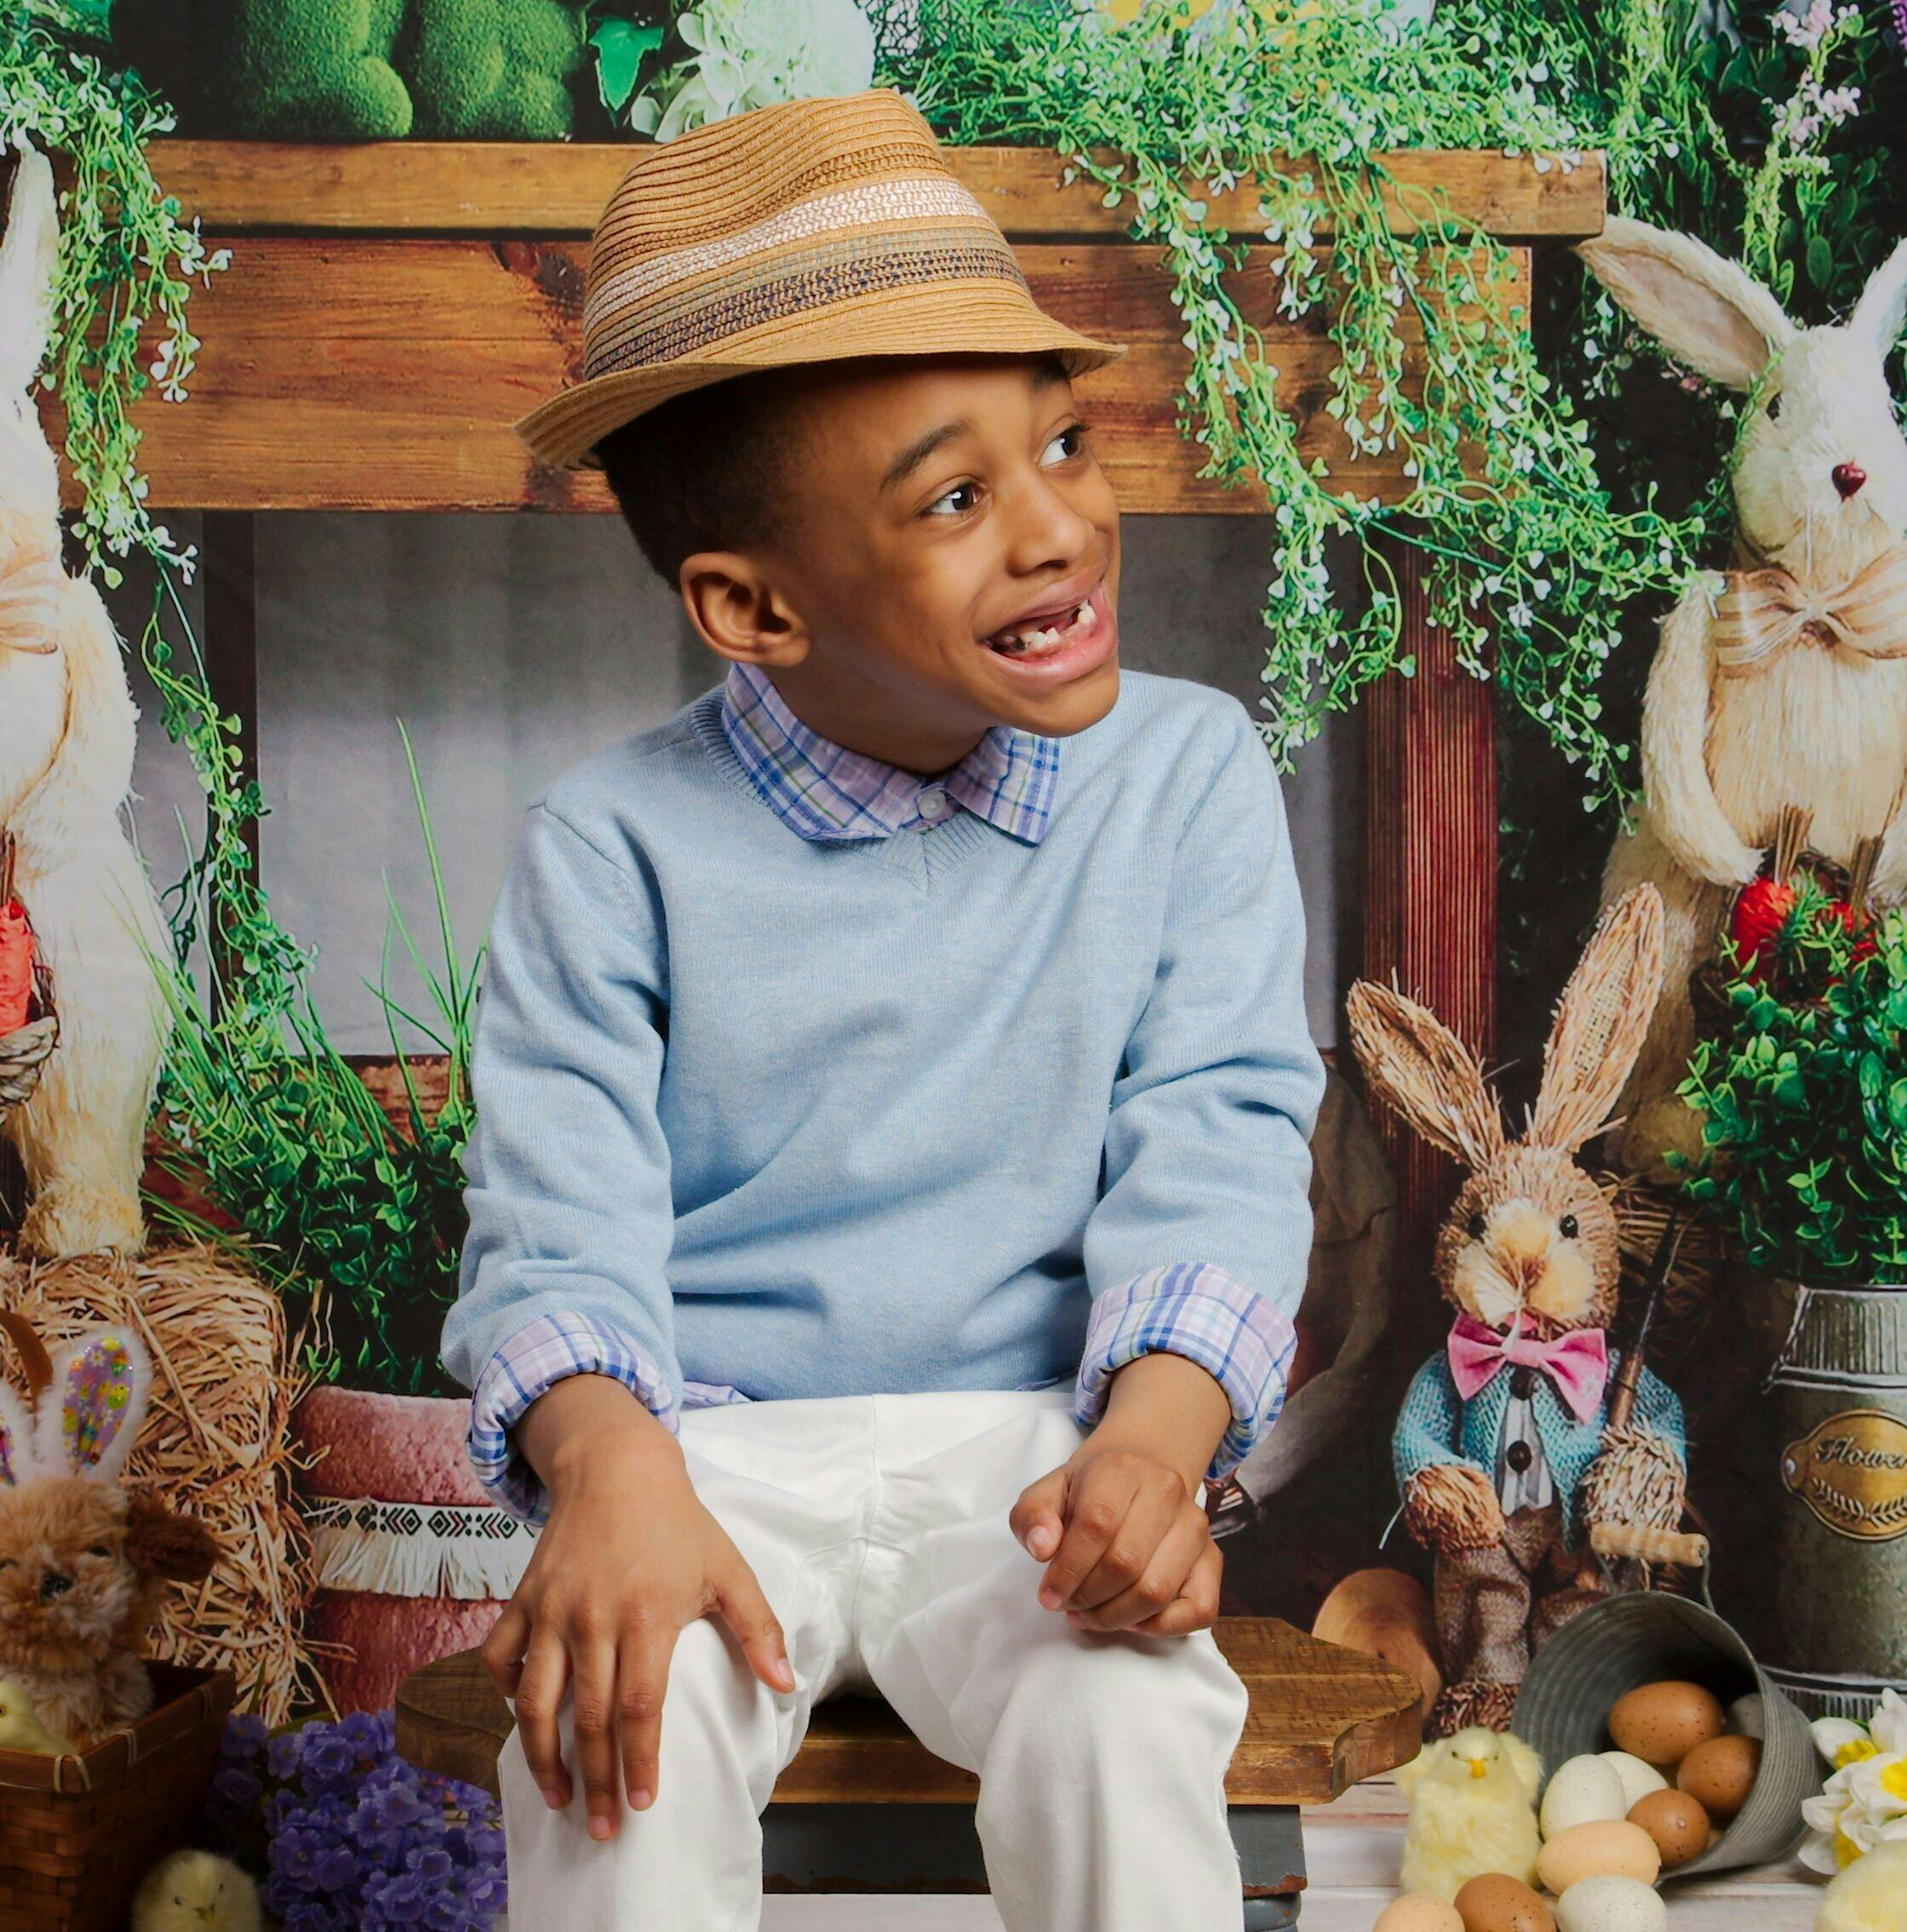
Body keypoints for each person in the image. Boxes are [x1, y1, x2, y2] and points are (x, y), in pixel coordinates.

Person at [439, 87, 1323, 1930]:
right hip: (704, 1456)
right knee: (616, 1720)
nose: (1057, 529)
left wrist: (1154, 1448)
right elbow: (557, 1222)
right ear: (753, 606)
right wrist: (608, 1468)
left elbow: (1221, 1141)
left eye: (1061, 443)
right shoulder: (611, 846)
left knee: (1119, 1712)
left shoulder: (1187, 778)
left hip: (1039, 1455)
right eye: (956, 497)